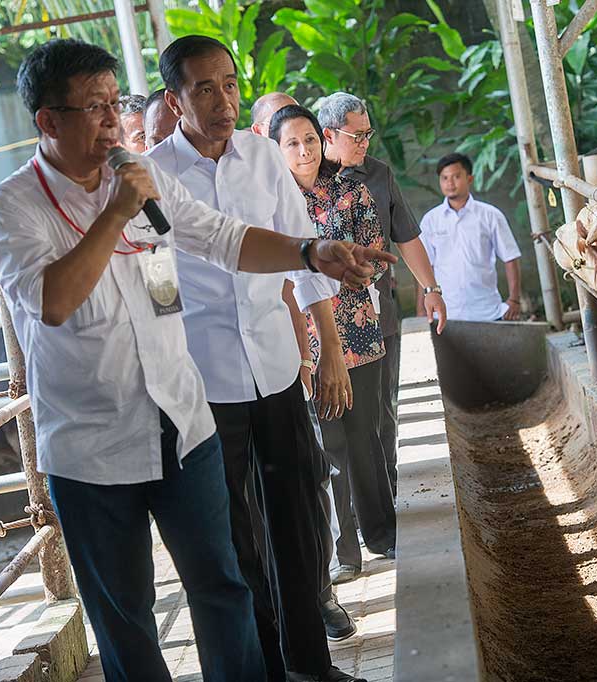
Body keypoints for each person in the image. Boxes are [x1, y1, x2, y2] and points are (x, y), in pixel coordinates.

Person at [0, 39, 394, 682]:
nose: (112, 122)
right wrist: (118, 211)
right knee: (128, 622)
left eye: (114, 105)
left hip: (183, 422)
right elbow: (53, 300)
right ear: (48, 121)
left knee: (222, 588)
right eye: (93, 108)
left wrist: (312, 254)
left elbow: (223, 238)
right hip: (95, 447)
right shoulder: (11, 207)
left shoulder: (148, 180)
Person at [148, 36, 364, 682]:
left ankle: (312, 664)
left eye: (230, 84)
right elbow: (158, 288)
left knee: (296, 520)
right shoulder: (154, 174)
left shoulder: (263, 158)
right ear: (174, 98)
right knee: (235, 538)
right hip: (205, 379)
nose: (223, 100)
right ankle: (266, 668)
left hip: (274, 368)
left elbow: (306, 252)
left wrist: (328, 353)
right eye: (204, 88)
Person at [270, 104, 396, 585]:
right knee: (329, 444)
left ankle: (382, 532)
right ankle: (344, 551)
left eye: (308, 140)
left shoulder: (351, 189)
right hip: (303, 338)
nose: (303, 151)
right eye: (291, 143)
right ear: (277, 150)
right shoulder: (272, 202)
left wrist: (354, 269)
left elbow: (377, 257)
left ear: (322, 141)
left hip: (357, 328)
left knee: (365, 434)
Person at [248, 90, 356, 643]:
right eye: (282, 139)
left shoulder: (292, 190)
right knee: (251, 506)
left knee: (307, 480)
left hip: (284, 362)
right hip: (221, 378)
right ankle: (278, 619)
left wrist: (323, 352)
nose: (296, 149)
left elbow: (305, 271)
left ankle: (318, 596)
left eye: (303, 137)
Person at [318, 92, 446, 542]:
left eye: (368, 133)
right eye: (357, 135)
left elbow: (405, 236)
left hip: (378, 319)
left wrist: (430, 289)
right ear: (328, 134)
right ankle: (346, 536)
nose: (365, 143)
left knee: (379, 419)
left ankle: (385, 508)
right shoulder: (300, 185)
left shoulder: (377, 176)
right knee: (333, 434)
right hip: (320, 329)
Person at [417, 152, 522, 322]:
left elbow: (511, 258)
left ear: (470, 179)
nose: (450, 183)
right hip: (445, 313)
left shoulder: (490, 215)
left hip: (487, 311)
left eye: (456, 176)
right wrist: (421, 310)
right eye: (444, 178)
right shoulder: (430, 220)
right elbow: (424, 265)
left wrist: (514, 299)